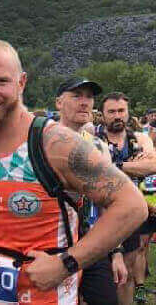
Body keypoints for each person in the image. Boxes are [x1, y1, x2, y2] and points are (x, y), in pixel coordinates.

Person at [0, 39, 146, 305]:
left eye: (1, 81)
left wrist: (67, 263)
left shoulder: (53, 143)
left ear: (21, 83)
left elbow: (132, 206)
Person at [54, 77, 127, 305]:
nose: (84, 102)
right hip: (52, 245)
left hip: (91, 244)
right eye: (76, 96)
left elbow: (109, 204)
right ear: (58, 102)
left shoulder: (98, 147)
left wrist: (116, 253)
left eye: (89, 97)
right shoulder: (42, 141)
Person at [96, 92, 156, 304]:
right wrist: (133, 167)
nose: (117, 115)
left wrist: (114, 166)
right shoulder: (93, 138)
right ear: (102, 115)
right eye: (111, 111)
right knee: (97, 273)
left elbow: (152, 166)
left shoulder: (139, 138)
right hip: (97, 215)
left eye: (121, 111)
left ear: (128, 113)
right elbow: (92, 172)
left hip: (129, 214)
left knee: (128, 272)